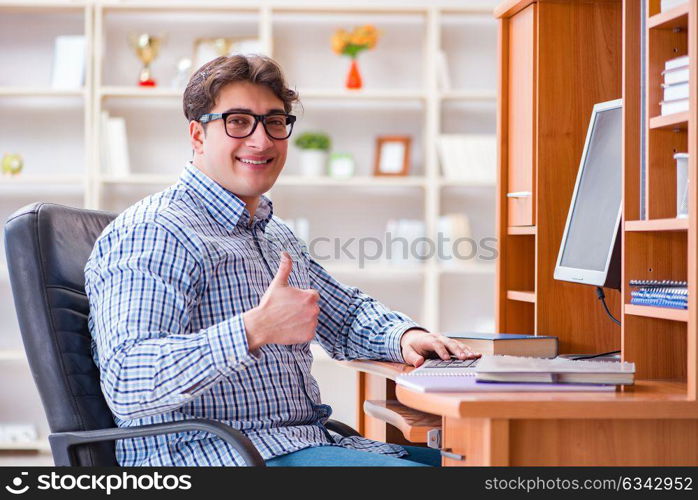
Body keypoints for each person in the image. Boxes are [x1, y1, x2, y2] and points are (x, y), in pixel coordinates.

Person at [85, 54, 478, 467]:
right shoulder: (156, 231)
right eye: (238, 121)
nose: (262, 140)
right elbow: (129, 381)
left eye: (275, 122)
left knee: (485, 462)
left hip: (303, 443)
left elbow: (343, 316)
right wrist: (253, 329)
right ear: (198, 135)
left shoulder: (273, 233)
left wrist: (404, 336)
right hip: (219, 457)